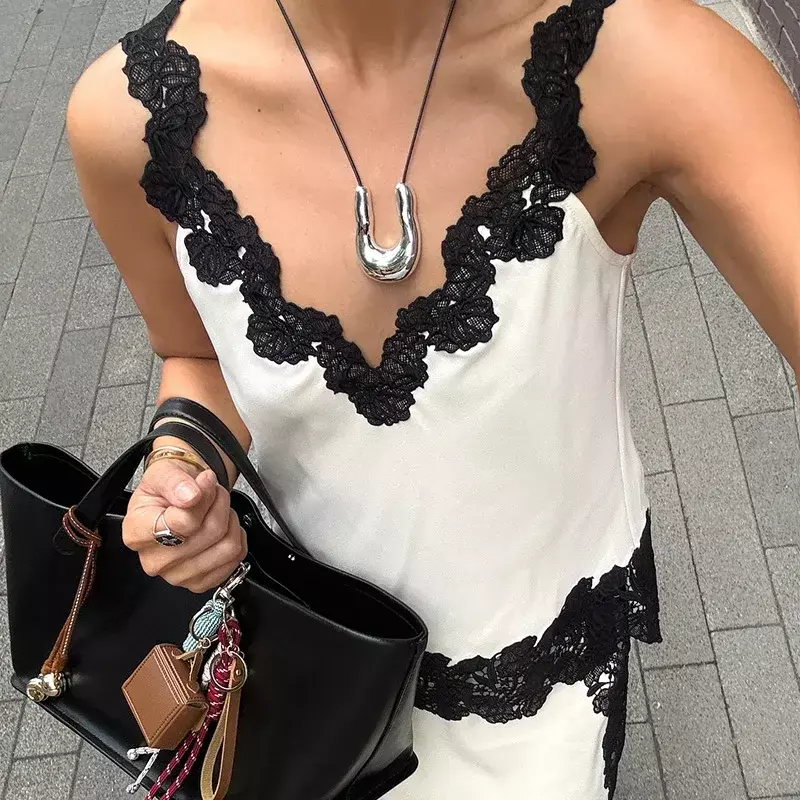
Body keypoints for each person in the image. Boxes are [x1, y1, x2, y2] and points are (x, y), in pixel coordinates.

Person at [65, 0, 800, 796]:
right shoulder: (132, 120)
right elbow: (197, 353)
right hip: (317, 668)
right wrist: (180, 469)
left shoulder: (638, 63)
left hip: (540, 683)